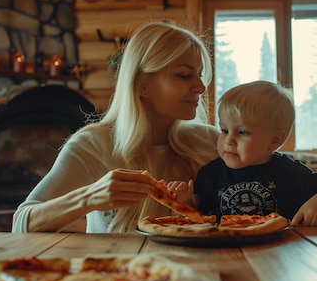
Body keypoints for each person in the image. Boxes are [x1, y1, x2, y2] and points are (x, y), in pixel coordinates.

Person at [12, 21, 220, 233]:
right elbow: (21, 224)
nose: (201, 87)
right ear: (142, 84)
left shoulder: (211, 142)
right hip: (116, 266)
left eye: (200, 74)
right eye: (184, 75)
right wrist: (89, 197)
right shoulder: (92, 146)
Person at [171, 80, 317, 226]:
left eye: (242, 132)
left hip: (278, 253)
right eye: (225, 130)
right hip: (223, 251)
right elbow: (198, 221)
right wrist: (183, 201)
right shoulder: (210, 173)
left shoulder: (289, 171)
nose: (229, 140)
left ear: (274, 140)